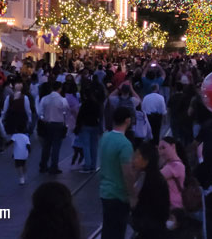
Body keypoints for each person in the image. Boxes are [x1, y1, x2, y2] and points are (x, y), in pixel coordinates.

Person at [99, 106, 136, 239]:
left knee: (108, 230)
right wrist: (132, 195)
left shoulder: (105, 137)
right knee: (117, 232)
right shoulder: (125, 144)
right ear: (127, 120)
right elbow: (127, 172)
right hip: (119, 195)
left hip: (105, 192)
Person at [131, 141, 171, 239]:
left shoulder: (151, 180)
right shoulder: (148, 176)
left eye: (137, 156)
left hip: (151, 232)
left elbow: (145, 208)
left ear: (146, 160)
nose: (133, 160)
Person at [38, 82, 68, 174]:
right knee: (56, 146)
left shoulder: (44, 99)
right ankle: (53, 166)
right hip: (58, 124)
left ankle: (43, 165)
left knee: (46, 146)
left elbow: (40, 112)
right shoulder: (62, 100)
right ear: (60, 89)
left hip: (47, 124)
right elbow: (66, 112)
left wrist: (44, 119)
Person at [73, 84, 103, 173]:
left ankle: (87, 165)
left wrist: (77, 126)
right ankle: (93, 165)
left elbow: (80, 116)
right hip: (95, 125)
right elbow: (100, 115)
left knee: (86, 146)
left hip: (86, 125)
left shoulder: (85, 104)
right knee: (94, 146)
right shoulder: (97, 103)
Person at [158, 137, 186, 211]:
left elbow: (155, 177)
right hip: (168, 205)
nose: (161, 152)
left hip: (173, 208)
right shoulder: (170, 164)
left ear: (173, 146)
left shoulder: (176, 166)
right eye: (159, 149)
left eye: (163, 148)